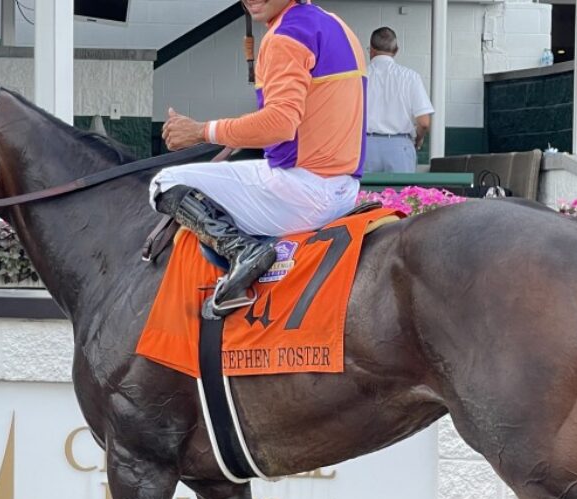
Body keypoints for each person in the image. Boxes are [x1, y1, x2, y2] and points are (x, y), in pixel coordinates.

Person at [151, 0, 366, 314]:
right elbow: (306, 118)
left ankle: (244, 253)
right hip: (343, 188)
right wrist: (230, 139)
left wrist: (202, 131)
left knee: (165, 181)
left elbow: (280, 124)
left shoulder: (284, 37)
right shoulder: (335, 24)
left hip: (302, 191)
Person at [364, 27, 435, 173]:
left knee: (365, 194)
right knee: (401, 194)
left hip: (365, 146)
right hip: (400, 147)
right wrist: (418, 139)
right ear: (396, 50)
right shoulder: (410, 77)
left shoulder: (360, 76)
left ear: (371, 49)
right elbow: (424, 122)